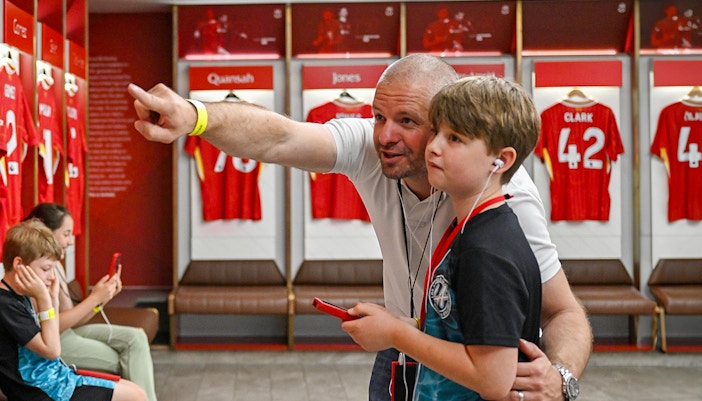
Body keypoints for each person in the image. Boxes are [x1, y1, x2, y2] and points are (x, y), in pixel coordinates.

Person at [128, 53, 592, 401]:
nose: (385, 136)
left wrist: (562, 378)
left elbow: (562, 312)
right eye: (377, 116)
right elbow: (281, 135)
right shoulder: (375, 149)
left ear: (447, 127)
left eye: (408, 122)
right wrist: (195, 116)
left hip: (460, 368)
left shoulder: (507, 198)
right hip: (398, 355)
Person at [342, 75, 543, 400]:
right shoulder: (474, 229)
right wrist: (403, 325)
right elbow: (468, 335)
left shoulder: (487, 250)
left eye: (455, 139)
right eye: (436, 133)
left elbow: (493, 378)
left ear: (500, 160)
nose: (433, 148)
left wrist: (395, 334)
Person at [24, 203, 158, 401]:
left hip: (68, 333)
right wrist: (95, 298)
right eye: (66, 234)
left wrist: (101, 299)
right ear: (46, 233)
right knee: (131, 358)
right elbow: (51, 326)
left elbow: (72, 318)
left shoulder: (56, 266)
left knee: (136, 338)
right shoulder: (35, 272)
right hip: (57, 340)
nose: (70, 241)